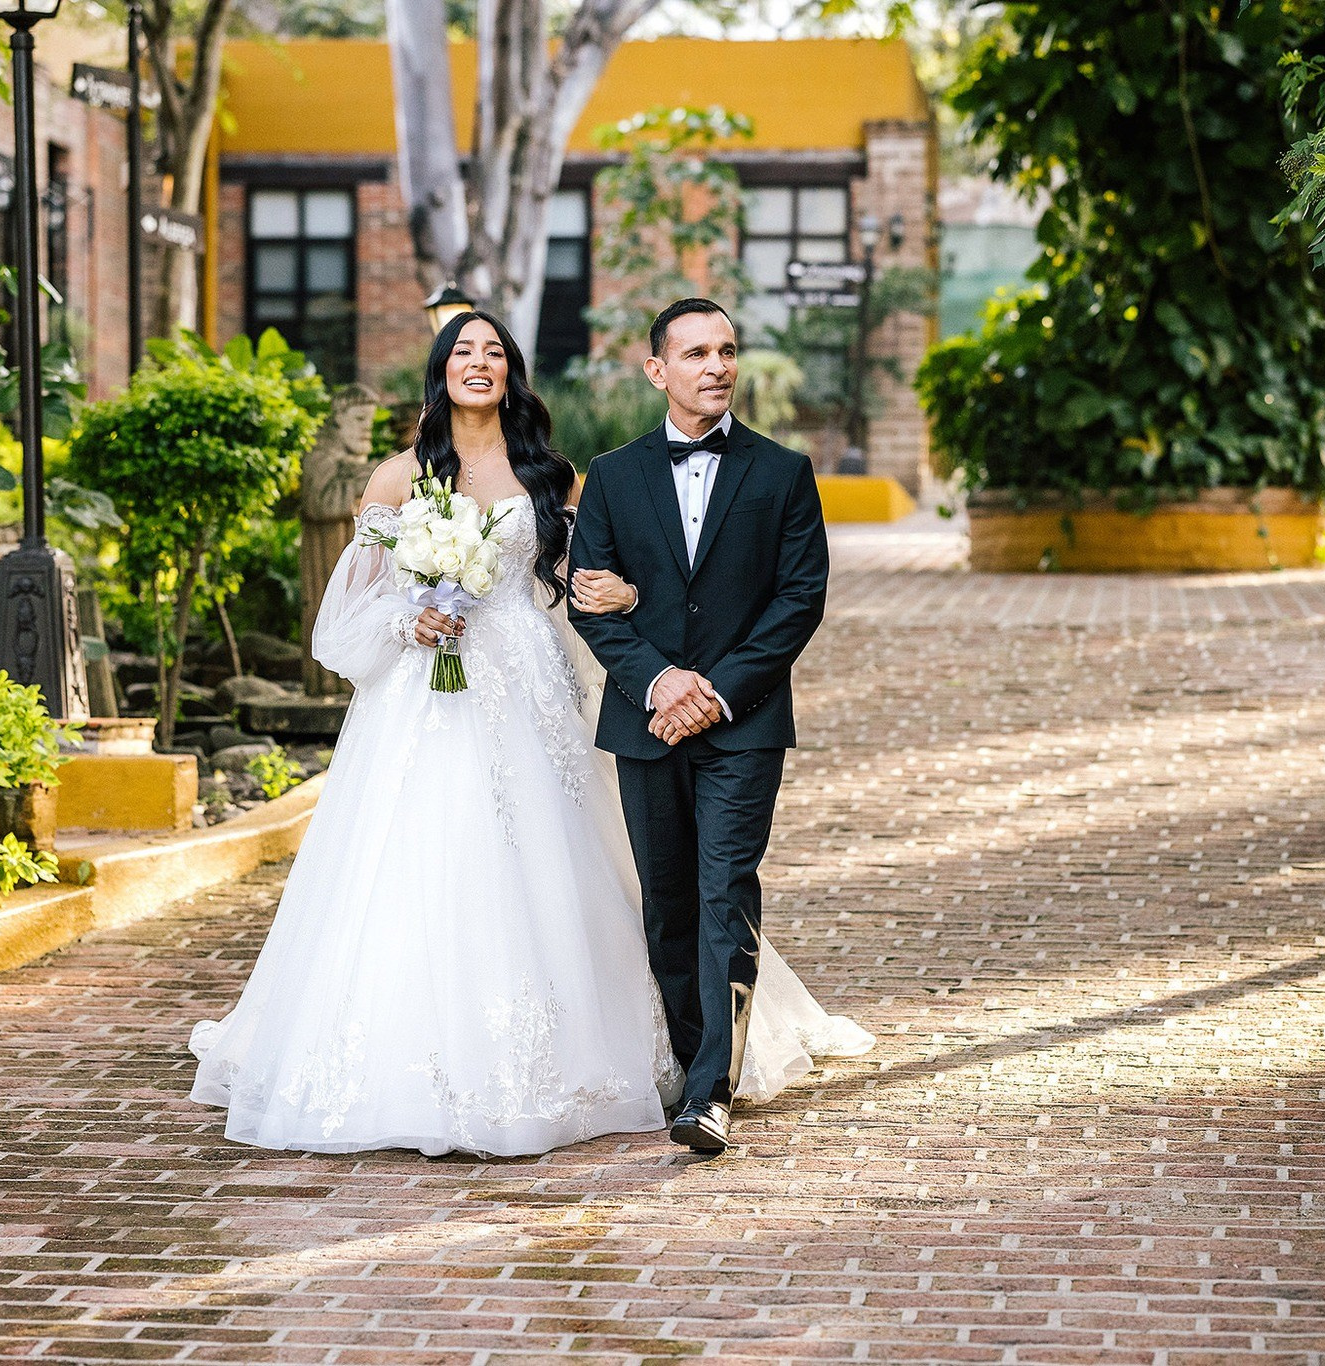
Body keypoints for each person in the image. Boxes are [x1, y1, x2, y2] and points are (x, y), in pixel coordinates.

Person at [187, 310, 868, 1157]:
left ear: (512, 372)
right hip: (427, 704)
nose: (481, 363)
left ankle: (696, 1071)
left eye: (496, 352)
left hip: (531, 689)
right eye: (463, 352)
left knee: (576, 862)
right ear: (440, 372)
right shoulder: (399, 477)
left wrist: (632, 615)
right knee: (429, 865)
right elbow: (345, 617)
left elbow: (608, 580)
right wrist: (412, 622)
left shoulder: (555, 476)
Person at [568, 297, 834, 1154]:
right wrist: (659, 681)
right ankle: (694, 1062)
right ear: (658, 370)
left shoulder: (783, 471)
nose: (715, 366)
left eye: (726, 350)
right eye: (695, 353)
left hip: (742, 724)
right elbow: (592, 601)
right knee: (668, 905)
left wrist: (714, 690)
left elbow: (799, 601)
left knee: (727, 895)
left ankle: (710, 1091)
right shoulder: (609, 476)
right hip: (646, 722)